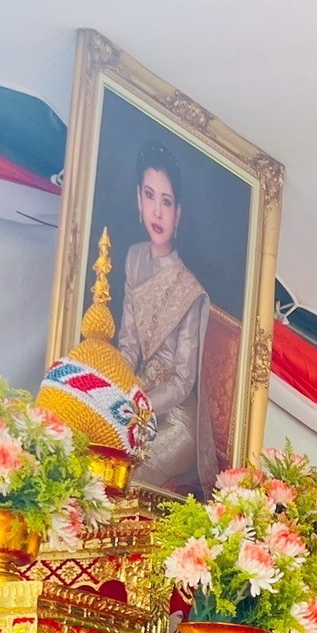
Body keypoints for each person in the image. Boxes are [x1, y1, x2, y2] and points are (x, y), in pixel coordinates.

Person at [118, 138, 216, 493]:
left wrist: (136, 405)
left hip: (176, 420)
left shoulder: (191, 291)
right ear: (138, 199)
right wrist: (112, 388)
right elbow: (128, 345)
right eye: (149, 195)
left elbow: (182, 383)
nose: (156, 212)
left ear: (178, 214)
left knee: (130, 476)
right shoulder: (134, 258)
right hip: (137, 400)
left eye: (166, 201)